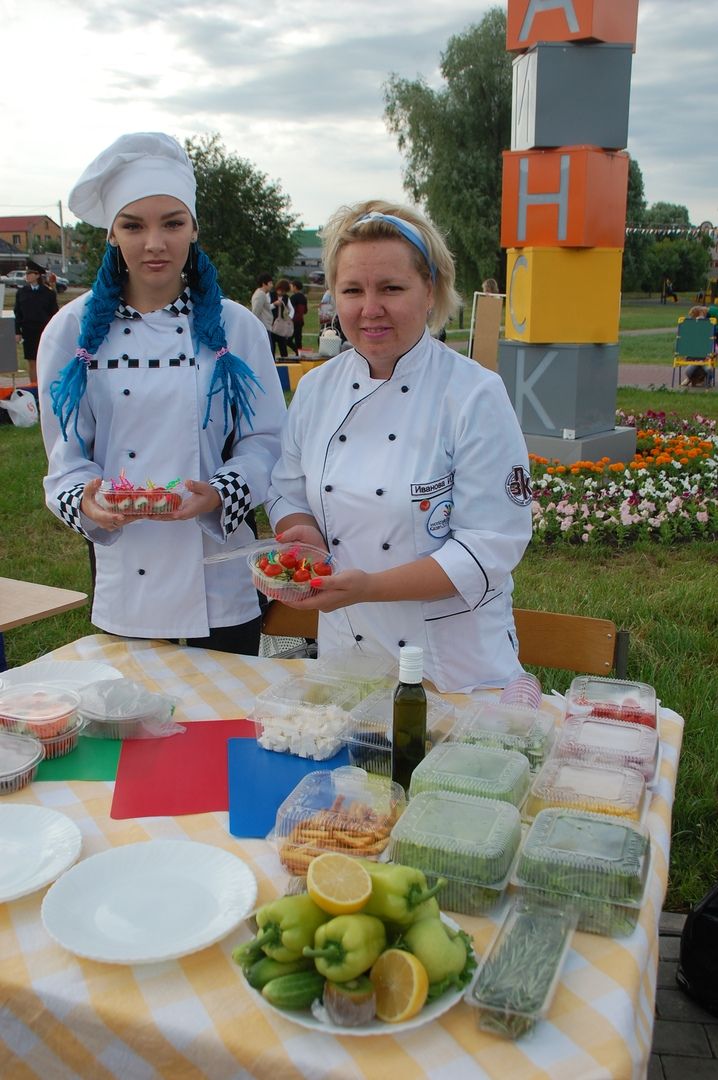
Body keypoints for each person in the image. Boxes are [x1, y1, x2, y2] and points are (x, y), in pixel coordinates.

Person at [266, 199, 533, 693]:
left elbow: (490, 545)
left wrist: (370, 588)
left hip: (452, 667)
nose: (370, 309)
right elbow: (287, 492)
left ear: (429, 290)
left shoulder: (474, 394)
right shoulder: (317, 389)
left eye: (391, 288)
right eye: (352, 290)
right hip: (347, 654)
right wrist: (303, 537)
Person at [38, 133, 286, 654]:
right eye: (134, 225)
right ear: (112, 235)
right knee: (136, 726)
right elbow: (65, 460)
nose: (155, 243)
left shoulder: (237, 327)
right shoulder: (71, 331)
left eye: (172, 223)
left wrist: (220, 492)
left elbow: (267, 443)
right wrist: (88, 500)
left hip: (219, 574)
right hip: (130, 573)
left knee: (221, 724)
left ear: (193, 229)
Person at [14, 264, 59, 384]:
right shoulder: (22, 292)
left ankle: (45, 385)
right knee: (31, 360)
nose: (27, 276)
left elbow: (54, 314)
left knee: (45, 359)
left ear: (38, 275)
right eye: (26, 274)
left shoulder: (48, 293)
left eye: (30, 273)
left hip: (44, 330)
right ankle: (34, 386)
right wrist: (17, 331)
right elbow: (18, 313)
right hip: (28, 330)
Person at [680, 305, 715, 387]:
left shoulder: (709, 336)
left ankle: (698, 379)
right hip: (697, 361)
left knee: (708, 369)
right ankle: (693, 379)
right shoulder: (694, 337)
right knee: (692, 369)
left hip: (703, 361)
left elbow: (714, 351)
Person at [270, 278, 294, 360]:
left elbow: (292, 310)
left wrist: (289, 318)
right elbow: (266, 308)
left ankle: (285, 361)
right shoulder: (270, 295)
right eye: (281, 290)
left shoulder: (286, 298)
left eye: (284, 291)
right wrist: (274, 304)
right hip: (271, 325)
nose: (282, 293)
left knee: (283, 346)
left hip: (282, 326)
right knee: (271, 347)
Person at [251, 273, 274, 348]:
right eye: (270, 283)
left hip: (265, 327)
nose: (272, 285)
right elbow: (255, 312)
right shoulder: (260, 295)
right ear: (264, 284)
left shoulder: (262, 294)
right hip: (263, 327)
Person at [289, 279, 308, 355]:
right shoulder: (304, 297)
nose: (290, 288)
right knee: (298, 339)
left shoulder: (293, 297)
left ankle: (297, 352)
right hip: (300, 321)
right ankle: (300, 355)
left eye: (291, 286)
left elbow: (290, 310)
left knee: (288, 340)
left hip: (293, 321)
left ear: (295, 287)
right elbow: (305, 311)